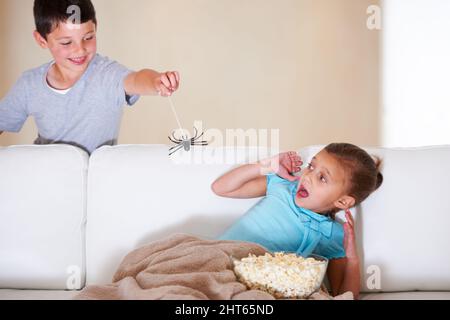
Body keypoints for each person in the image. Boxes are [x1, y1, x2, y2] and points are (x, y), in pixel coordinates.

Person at [0, 0, 180, 154]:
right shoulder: (29, 85)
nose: (80, 49)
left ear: (96, 28)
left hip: (96, 179)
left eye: (88, 37)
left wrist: (156, 81)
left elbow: (135, 80)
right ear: (41, 40)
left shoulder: (106, 74)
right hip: (48, 178)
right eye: (66, 42)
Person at [212, 143, 383, 299]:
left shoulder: (333, 234)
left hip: (257, 290)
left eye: (322, 178)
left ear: (343, 202)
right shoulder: (283, 186)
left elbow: (344, 295)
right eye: (311, 166)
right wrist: (269, 164)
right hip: (222, 262)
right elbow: (221, 188)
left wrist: (352, 258)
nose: (307, 176)